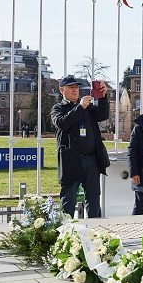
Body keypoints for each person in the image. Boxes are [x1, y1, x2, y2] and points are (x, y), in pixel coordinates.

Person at [51, 75, 110, 218]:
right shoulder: (59, 108)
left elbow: (103, 114)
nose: (75, 90)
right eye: (71, 87)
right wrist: (80, 107)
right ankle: (66, 232)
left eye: (76, 87)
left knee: (93, 197)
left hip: (91, 160)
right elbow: (63, 123)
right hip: (72, 161)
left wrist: (103, 97)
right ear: (61, 90)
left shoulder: (87, 107)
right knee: (69, 199)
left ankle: (95, 232)